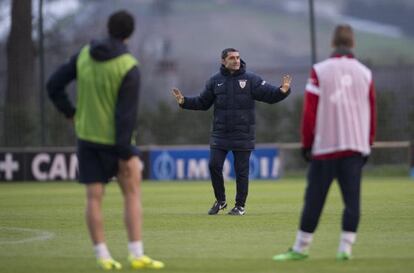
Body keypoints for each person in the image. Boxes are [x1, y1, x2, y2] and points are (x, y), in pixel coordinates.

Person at [47, 10, 164, 270]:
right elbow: (126, 115)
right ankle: (136, 254)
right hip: (117, 142)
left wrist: (71, 113)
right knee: (132, 194)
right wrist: (125, 153)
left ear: (108, 28)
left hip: (87, 138)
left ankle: (103, 256)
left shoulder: (84, 55)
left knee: (94, 198)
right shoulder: (128, 66)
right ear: (130, 34)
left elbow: (53, 85)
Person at [273, 24, 376, 261]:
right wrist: (367, 142)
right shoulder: (365, 73)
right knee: (352, 201)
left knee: (314, 200)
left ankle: (301, 248)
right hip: (355, 147)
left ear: (333, 43)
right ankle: (345, 249)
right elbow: (372, 111)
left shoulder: (320, 70)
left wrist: (306, 143)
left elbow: (310, 112)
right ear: (353, 44)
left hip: (326, 147)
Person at [172, 48, 291, 216]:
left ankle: (240, 206)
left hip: (243, 134)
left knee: (241, 172)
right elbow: (202, 102)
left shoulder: (251, 80)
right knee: (214, 165)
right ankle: (220, 201)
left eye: (238, 57)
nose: (236, 60)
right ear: (223, 61)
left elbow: (270, 95)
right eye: (232, 58)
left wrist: (282, 91)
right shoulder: (215, 81)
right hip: (220, 133)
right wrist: (184, 102)